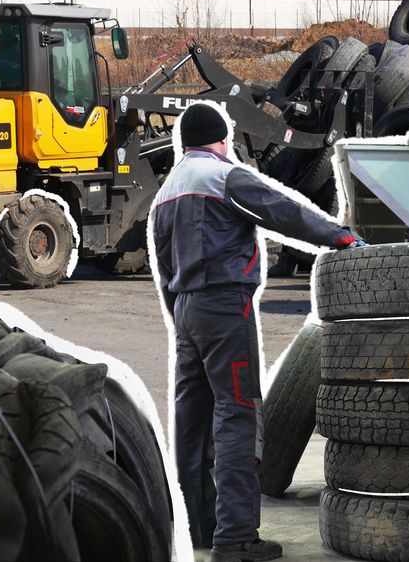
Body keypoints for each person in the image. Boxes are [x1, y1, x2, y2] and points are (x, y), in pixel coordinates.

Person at [150, 102, 363, 562]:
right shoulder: (223, 176)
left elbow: (164, 267)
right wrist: (340, 236)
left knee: (191, 423)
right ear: (220, 140)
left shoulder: (167, 190)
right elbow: (282, 212)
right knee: (238, 416)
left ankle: (201, 530)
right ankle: (236, 538)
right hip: (225, 308)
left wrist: (183, 317)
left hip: (185, 312)